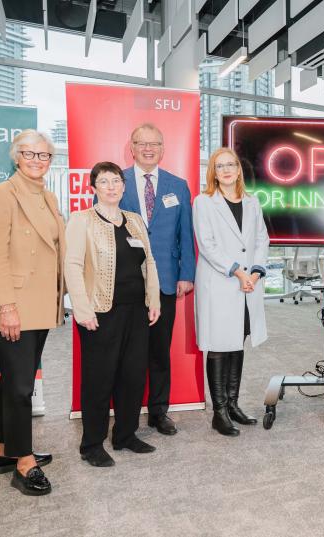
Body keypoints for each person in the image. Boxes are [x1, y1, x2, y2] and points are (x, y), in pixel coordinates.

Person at [0, 130, 65, 495]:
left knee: (15, 379)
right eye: (29, 153)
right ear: (16, 156)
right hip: (12, 305)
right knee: (23, 385)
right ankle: (23, 463)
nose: (36, 160)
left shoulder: (48, 195)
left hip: (41, 304)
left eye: (44, 155)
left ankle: (2, 451)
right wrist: (6, 307)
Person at [65, 161, 162, 467]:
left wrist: (154, 299)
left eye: (116, 181)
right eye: (104, 181)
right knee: (98, 380)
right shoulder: (82, 220)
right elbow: (73, 266)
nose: (111, 186)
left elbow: (149, 263)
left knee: (133, 376)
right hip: (100, 312)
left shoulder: (133, 220)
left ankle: (125, 435)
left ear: (123, 186)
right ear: (93, 187)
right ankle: (91, 444)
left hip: (136, 311)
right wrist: (82, 309)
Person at [119, 123, 196, 436]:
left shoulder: (177, 185)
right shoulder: (116, 181)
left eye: (155, 144)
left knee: (159, 351)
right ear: (132, 147)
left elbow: (185, 234)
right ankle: (127, 415)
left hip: (165, 280)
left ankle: (158, 411)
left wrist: (187, 274)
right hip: (127, 282)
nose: (148, 149)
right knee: (128, 353)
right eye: (142, 143)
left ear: (163, 149)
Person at [193, 148, 269, 436]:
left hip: (248, 284)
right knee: (219, 344)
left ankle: (234, 404)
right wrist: (238, 271)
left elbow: (262, 238)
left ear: (239, 170)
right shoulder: (204, 202)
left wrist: (256, 271)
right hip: (221, 282)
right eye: (219, 165)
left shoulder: (252, 202)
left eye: (231, 165)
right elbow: (208, 244)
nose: (225, 170)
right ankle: (219, 411)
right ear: (213, 172)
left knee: (238, 339)